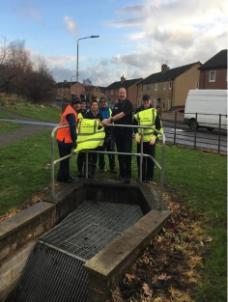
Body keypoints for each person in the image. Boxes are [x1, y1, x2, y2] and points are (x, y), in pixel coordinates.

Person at [103, 87, 133, 184]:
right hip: (118, 134)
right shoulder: (116, 105)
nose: (121, 94)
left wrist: (110, 120)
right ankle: (122, 173)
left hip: (126, 135)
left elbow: (122, 114)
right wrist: (106, 120)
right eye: (120, 93)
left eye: (123, 93)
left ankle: (127, 175)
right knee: (120, 154)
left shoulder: (129, 104)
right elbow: (113, 116)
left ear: (126, 94)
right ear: (118, 94)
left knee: (126, 154)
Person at [134, 94, 162, 183]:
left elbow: (158, 125)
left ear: (150, 101)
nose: (146, 103)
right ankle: (141, 177)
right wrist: (136, 133)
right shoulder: (138, 110)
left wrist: (154, 136)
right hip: (141, 140)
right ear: (143, 101)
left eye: (147, 101)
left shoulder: (153, 111)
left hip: (150, 140)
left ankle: (149, 178)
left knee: (150, 159)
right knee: (141, 159)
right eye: (144, 101)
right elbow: (134, 123)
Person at [78, 99, 103, 178]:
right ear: (91, 106)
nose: (94, 106)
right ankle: (86, 172)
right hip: (88, 138)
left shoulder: (100, 114)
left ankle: (92, 172)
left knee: (94, 156)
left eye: (96, 105)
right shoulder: (87, 114)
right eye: (93, 105)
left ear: (97, 106)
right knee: (87, 156)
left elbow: (101, 126)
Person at [56, 99, 78, 183]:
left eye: (78, 104)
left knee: (64, 159)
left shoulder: (67, 109)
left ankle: (61, 177)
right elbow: (72, 126)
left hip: (61, 138)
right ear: (72, 104)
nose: (78, 105)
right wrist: (74, 140)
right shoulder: (71, 113)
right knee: (65, 159)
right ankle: (65, 177)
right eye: (76, 104)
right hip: (65, 139)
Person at [99, 97, 115, 173]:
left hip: (110, 133)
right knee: (101, 152)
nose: (103, 103)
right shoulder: (98, 111)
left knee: (111, 151)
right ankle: (101, 167)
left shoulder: (110, 110)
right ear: (100, 103)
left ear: (106, 102)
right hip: (101, 133)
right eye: (102, 102)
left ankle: (112, 167)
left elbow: (113, 120)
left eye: (104, 102)